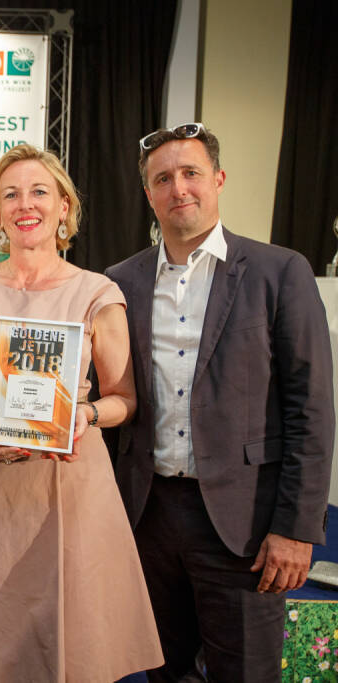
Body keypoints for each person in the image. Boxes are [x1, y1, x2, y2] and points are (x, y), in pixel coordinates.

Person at [0, 143, 164, 681]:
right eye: (10, 194)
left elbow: (124, 399)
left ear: (63, 207)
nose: (24, 204)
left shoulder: (97, 292)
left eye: (38, 192)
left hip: (70, 487)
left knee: (69, 645)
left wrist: (87, 415)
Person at [106, 123, 335, 681]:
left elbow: (312, 410)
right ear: (148, 193)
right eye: (163, 178)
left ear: (219, 180)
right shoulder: (119, 282)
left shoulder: (280, 272)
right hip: (148, 516)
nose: (178, 188)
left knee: (247, 672)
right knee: (162, 670)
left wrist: (297, 528)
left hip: (246, 525)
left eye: (191, 173)